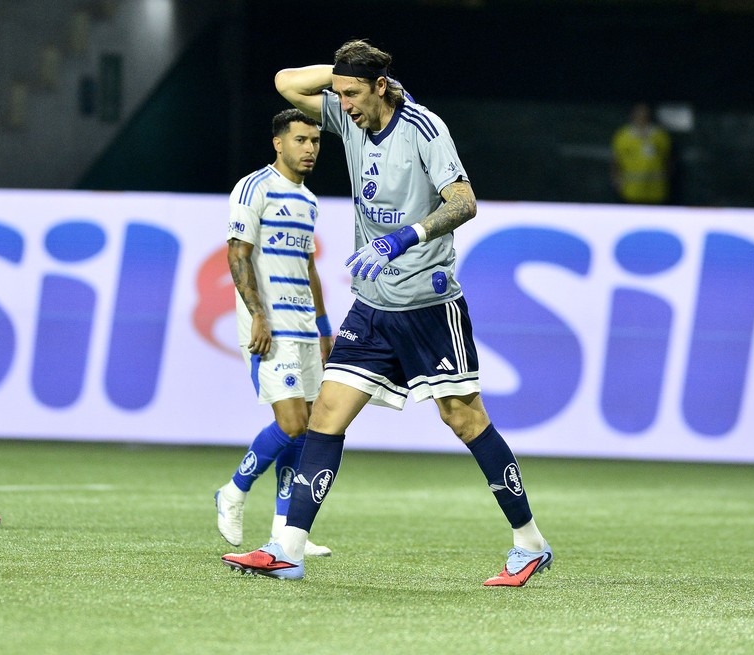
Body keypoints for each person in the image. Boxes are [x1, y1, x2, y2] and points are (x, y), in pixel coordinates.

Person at [222, 39, 552, 586]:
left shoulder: (424, 128)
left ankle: (530, 543)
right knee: (326, 415)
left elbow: (464, 201)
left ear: (381, 88)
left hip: (428, 304)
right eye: (339, 93)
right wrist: (346, 72)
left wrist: (405, 237)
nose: (342, 104)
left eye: (353, 93)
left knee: (463, 419)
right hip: (373, 305)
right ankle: (288, 549)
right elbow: (285, 81)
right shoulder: (349, 114)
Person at [214, 109, 334, 558]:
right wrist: (257, 314)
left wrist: (323, 328)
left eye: (316, 142)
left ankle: (285, 532)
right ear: (278, 143)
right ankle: (232, 491)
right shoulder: (253, 187)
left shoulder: (310, 201)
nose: (309, 149)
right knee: (293, 422)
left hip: (304, 326)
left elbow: (308, 267)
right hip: (269, 325)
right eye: (301, 140)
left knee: (304, 431)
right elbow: (237, 254)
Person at [611, 102, 672, 204]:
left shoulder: (660, 135)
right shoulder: (623, 136)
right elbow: (615, 162)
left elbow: (669, 161)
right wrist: (616, 181)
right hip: (631, 191)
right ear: (633, 115)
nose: (642, 116)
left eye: (645, 113)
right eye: (639, 113)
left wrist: (666, 180)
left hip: (656, 191)